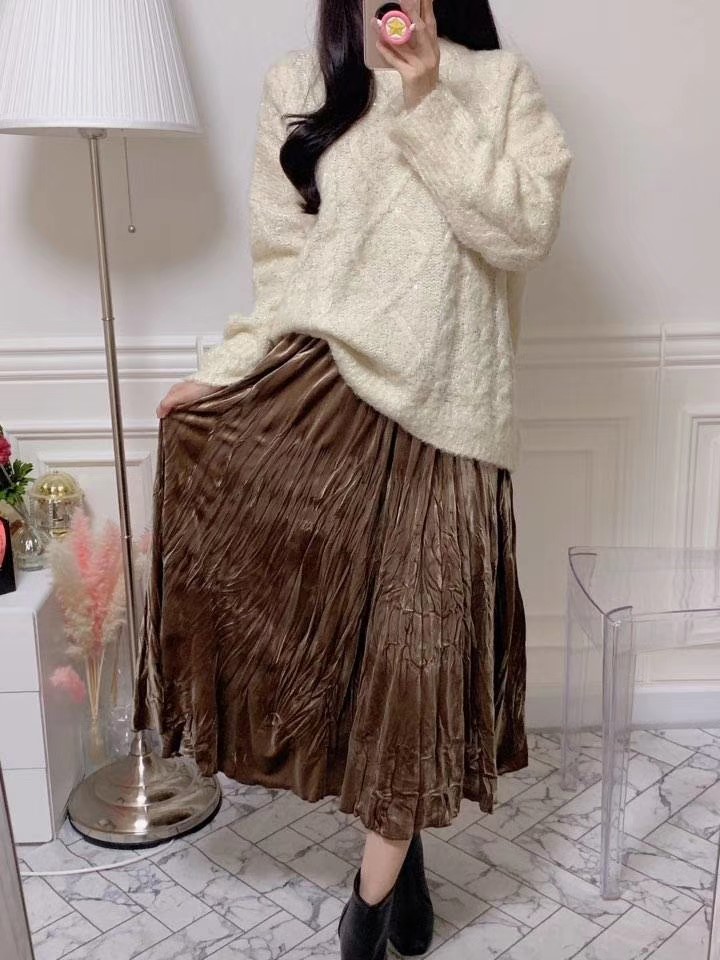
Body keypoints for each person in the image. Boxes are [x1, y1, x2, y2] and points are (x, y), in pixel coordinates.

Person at [133, 0, 573, 956]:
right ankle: (400, 868)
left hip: (450, 423)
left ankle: (364, 919)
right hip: (321, 400)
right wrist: (224, 373)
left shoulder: (498, 85)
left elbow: (524, 232)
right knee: (343, 669)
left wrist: (428, 99)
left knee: (416, 673)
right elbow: (283, 270)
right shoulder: (299, 86)